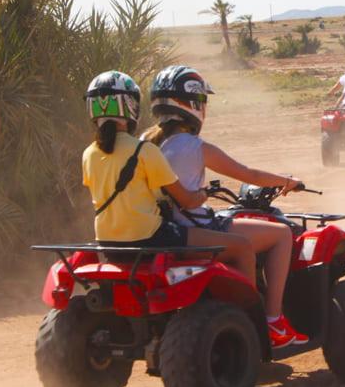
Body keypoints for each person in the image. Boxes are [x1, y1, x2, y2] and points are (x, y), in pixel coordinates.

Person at [142, 65, 308, 348]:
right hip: (197, 227)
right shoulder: (195, 146)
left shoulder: (147, 142)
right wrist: (287, 181)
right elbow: (249, 175)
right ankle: (272, 320)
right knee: (280, 234)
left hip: (164, 229)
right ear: (193, 104)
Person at [82, 71, 260, 305]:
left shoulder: (88, 154)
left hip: (108, 243)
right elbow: (186, 200)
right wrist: (203, 194)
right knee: (243, 246)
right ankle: (251, 319)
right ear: (130, 106)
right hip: (151, 239)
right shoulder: (143, 151)